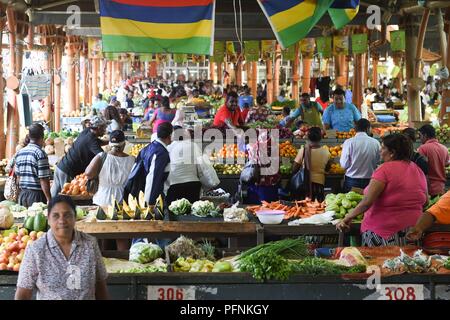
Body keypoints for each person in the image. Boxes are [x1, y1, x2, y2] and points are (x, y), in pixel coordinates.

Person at [336, 134, 428, 247]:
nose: (380, 151)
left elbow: (367, 202)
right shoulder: (417, 169)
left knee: (379, 263)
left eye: (383, 147)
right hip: (412, 232)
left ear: (392, 152)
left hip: (384, 234)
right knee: (407, 263)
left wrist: (347, 218)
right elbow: (426, 201)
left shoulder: (384, 170)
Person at [15, 195, 109, 300]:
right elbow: (23, 294)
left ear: (75, 217)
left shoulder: (90, 244)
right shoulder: (36, 250)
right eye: (56, 216)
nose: (62, 220)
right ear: (49, 219)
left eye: (67, 215)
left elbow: (101, 286)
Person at [51, 116, 108, 197]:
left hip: (60, 167)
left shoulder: (87, 131)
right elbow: (102, 156)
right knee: (66, 198)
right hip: (67, 171)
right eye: (104, 128)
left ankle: (49, 207)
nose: (105, 130)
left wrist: (109, 142)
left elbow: (98, 142)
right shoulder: (91, 140)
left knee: (53, 196)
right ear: (98, 128)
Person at [166, 127, 219, 204]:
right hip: (192, 185)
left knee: (174, 211)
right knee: (192, 211)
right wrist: (211, 182)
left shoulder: (168, 148)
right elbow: (204, 165)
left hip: (174, 186)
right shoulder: (193, 146)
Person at [85, 130, 135, 207]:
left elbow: (88, 173)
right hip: (122, 201)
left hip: (102, 200)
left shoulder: (101, 156)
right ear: (124, 144)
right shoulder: (132, 159)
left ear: (110, 144)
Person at [14, 124, 52, 206]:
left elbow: (18, 178)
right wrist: (49, 199)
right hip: (37, 197)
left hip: (23, 195)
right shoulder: (40, 154)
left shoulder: (20, 153)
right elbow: (43, 180)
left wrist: (18, 196)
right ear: (42, 137)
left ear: (30, 136)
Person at [292, 127, 331, 202]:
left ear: (308, 137)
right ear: (320, 138)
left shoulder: (303, 150)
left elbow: (295, 168)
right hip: (319, 184)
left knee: (304, 208)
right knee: (317, 207)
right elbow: (327, 168)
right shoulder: (326, 152)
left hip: (304, 183)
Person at [340, 119, 381, 192]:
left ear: (355, 129)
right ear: (368, 128)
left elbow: (344, 165)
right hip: (370, 180)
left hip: (352, 181)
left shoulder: (348, 142)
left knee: (352, 202)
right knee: (369, 202)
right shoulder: (376, 143)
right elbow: (378, 161)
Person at [417, 124, 449, 197]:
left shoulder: (423, 148)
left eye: (420, 135)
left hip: (428, 187)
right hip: (441, 186)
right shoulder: (444, 148)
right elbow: (447, 164)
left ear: (425, 135)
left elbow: (420, 167)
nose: (420, 138)